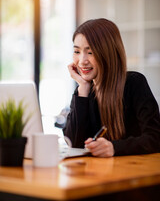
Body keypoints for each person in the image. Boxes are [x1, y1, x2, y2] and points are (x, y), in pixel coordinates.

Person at [63, 18, 160, 157]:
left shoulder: (134, 83)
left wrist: (114, 148)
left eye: (90, 52)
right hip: (96, 173)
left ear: (107, 52)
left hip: (132, 172)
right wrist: (83, 88)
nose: (82, 61)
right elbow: (73, 143)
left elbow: (155, 138)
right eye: (77, 52)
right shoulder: (83, 91)